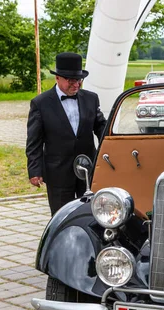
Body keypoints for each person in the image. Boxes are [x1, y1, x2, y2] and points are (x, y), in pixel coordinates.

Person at [26, 52, 106, 216]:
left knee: (91, 213)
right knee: (62, 216)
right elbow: (34, 141)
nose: (76, 84)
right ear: (58, 78)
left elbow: (101, 128)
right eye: (71, 80)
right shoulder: (40, 103)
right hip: (58, 172)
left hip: (87, 170)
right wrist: (34, 170)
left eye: (78, 80)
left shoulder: (91, 99)